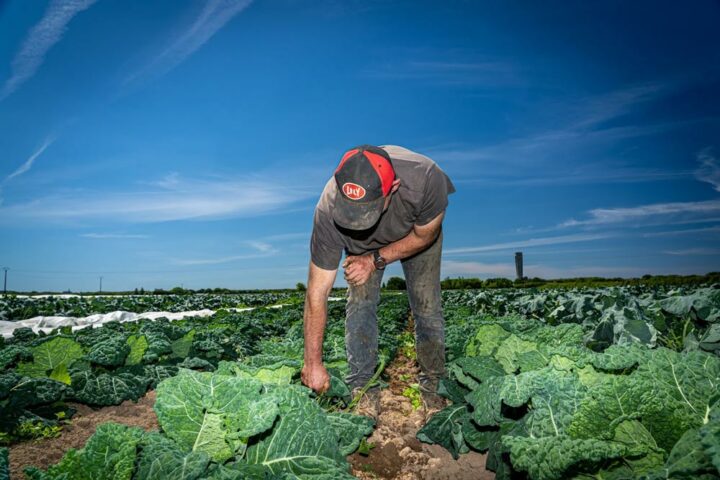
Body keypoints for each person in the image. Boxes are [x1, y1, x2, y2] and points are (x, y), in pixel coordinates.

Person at [300, 144, 455, 419]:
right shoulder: (327, 210)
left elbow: (424, 236)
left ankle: (433, 386)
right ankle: (362, 387)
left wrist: (374, 260)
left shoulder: (426, 179)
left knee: (426, 305)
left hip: (414, 238)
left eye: (366, 211)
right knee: (359, 305)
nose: (358, 220)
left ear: (393, 188)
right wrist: (312, 363)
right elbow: (316, 292)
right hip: (360, 248)